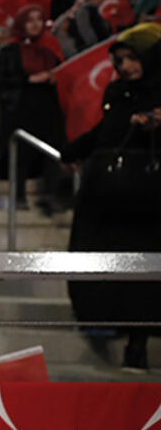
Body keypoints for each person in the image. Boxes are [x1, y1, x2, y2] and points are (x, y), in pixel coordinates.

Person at [64, 25, 161, 372]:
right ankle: (113, 326)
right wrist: (72, 151)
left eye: (133, 58)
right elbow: (107, 132)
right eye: (120, 60)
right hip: (113, 200)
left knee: (145, 278)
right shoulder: (117, 90)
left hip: (149, 206)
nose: (126, 66)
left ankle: (138, 344)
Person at [0, 5, 66, 211]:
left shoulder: (51, 49)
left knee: (52, 151)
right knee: (22, 153)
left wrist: (54, 77)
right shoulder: (9, 51)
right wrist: (28, 79)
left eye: (39, 19)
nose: (35, 24)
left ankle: (51, 195)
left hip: (49, 106)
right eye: (30, 20)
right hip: (22, 107)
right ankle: (19, 196)